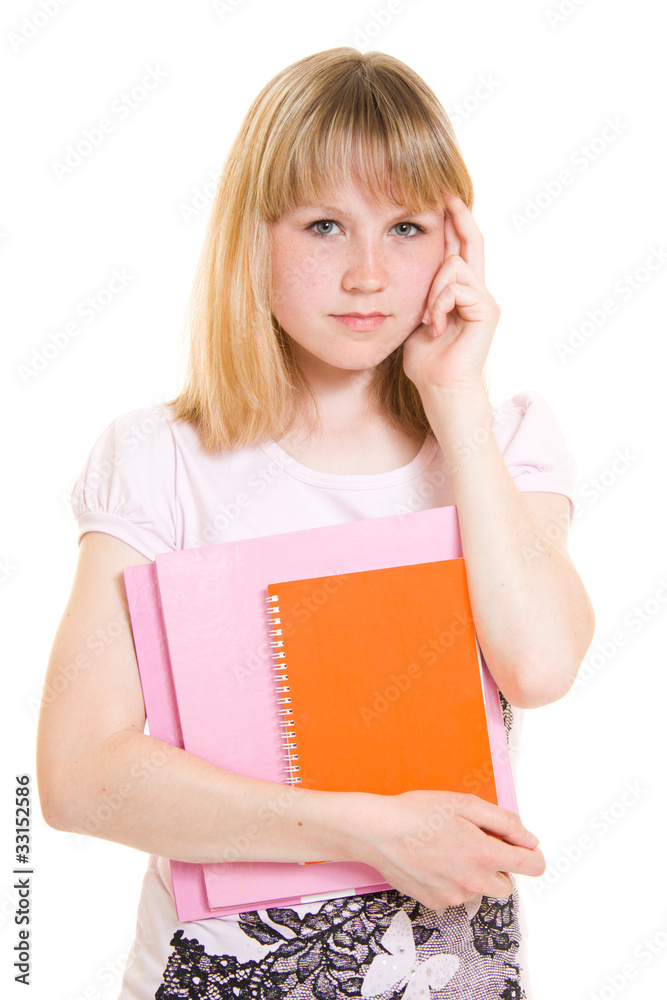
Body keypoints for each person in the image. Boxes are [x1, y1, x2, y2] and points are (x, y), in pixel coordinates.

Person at [36, 46, 595, 1000]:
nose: (369, 274)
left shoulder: (500, 443)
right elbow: (78, 776)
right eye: (325, 225)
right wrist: (367, 831)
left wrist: (454, 400)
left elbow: (537, 665)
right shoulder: (160, 459)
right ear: (254, 235)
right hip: (210, 974)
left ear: (456, 245)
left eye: (409, 226)